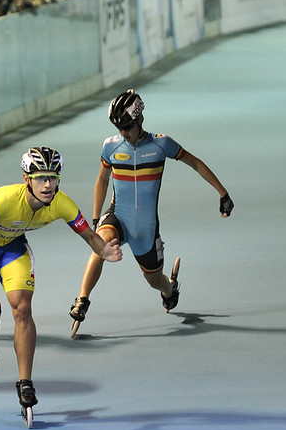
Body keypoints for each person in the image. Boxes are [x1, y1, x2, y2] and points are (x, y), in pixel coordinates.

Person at [0, 146, 122, 418]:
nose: (48, 184)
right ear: (26, 179)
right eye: (41, 178)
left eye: (53, 178)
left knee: (22, 309)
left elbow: (89, 235)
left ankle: (25, 382)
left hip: (13, 248)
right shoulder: (4, 198)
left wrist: (104, 250)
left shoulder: (61, 203)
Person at [68, 89, 234, 331]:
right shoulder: (110, 147)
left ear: (140, 120)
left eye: (127, 127)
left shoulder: (161, 144)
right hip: (118, 217)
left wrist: (223, 193)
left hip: (146, 229)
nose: (123, 133)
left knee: (154, 281)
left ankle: (169, 288)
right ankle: (82, 299)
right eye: (119, 128)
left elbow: (195, 162)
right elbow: (102, 180)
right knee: (101, 244)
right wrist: (96, 218)